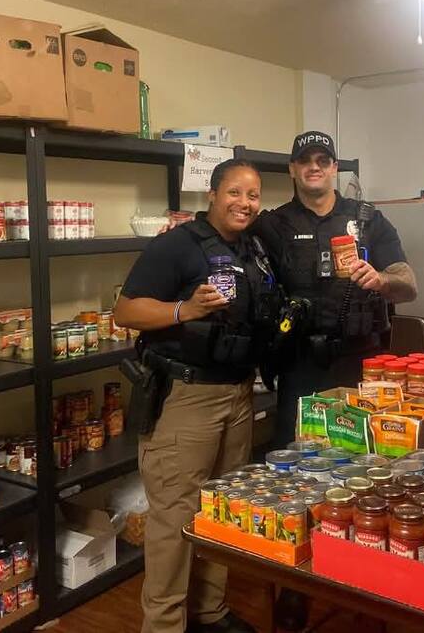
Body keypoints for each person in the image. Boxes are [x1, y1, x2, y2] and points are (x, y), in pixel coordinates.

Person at [114, 159, 279, 633]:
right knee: (175, 517)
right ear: (211, 194)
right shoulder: (175, 245)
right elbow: (125, 310)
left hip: (239, 394)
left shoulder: (252, 249)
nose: (244, 203)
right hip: (185, 398)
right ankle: (165, 625)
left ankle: (209, 612)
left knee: (222, 507)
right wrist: (184, 309)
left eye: (252, 195)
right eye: (234, 192)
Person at [255, 131, 418, 446]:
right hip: (299, 366)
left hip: (360, 363)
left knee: (366, 452)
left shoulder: (367, 219)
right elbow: (225, 241)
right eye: (304, 160)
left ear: (334, 168)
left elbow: (408, 285)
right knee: (301, 453)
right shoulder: (272, 225)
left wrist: (381, 280)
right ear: (292, 169)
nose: (314, 167)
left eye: (323, 160)